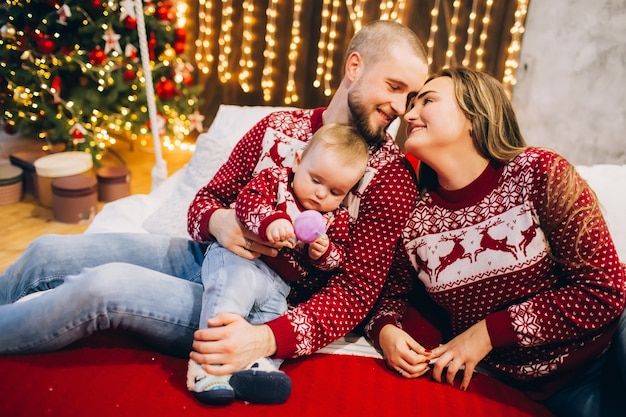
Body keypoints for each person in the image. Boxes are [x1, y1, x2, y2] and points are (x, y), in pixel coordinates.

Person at [0, 19, 429, 404]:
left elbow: (356, 295)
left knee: (103, 287)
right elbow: (206, 200)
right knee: (47, 251)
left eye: (411, 95)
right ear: (354, 67)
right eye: (394, 87)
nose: (402, 107)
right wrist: (220, 222)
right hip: (202, 256)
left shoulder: (391, 179)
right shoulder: (276, 128)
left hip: (249, 304)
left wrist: (262, 338)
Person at [364, 67, 626, 417]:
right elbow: (387, 299)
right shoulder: (415, 221)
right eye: (411, 104)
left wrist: (487, 333)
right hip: (549, 393)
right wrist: (386, 333)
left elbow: (604, 290)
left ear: (474, 115)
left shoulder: (538, 173)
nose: (409, 114)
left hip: (610, 345)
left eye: (427, 101)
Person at [187, 123, 369, 405]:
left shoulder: (334, 219)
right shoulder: (275, 181)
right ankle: (206, 369)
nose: (321, 195)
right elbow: (248, 203)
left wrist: (323, 253)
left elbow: (339, 258)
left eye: (335, 191)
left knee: (274, 319)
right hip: (241, 260)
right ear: (297, 161)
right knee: (229, 297)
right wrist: (272, 222)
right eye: (316, 180)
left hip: (280, 286)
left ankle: (255, 368)